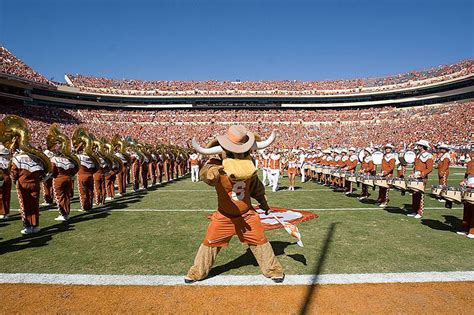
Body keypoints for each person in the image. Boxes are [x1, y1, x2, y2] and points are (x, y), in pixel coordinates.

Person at [185, 126, 284, 283]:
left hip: (247, 215)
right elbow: (207, 175)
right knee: (209, 242)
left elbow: (255, 186)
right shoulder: (216, 163)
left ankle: (272, 269)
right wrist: (215, 172)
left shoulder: (248, 163)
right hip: (224, 216)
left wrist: (263, 203)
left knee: (260, 240)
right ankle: (198, 271)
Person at [407, 140, 433, 219]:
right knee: (414, 194)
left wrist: (421, 174)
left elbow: (429, 168)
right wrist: (412, 173)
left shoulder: (428, 155)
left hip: (422, 177)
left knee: (420, 194)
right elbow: (415, 167)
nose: (417, 146)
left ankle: (420, 211)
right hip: (415, 175)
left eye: (419, 145)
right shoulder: (418, 154)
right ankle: (414, 210)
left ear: (422, 146)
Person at [458, 148, 473, 239]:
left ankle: (472, 230)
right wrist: (464, 181)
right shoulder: (470, 163)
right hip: (468, 187)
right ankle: (465, 228)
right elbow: (467, 175)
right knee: (467, 209)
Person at [436, 144, 452, 208]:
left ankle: (444, 196)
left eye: (443, 148)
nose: (441, 149)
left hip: (444, 171)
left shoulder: (446, 155)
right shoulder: (443, 155)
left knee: (443, 183)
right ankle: (441, 195)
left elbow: (445, 165)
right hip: (441, 170)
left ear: (445, 149)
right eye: (441, 148)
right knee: (440, 183)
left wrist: (442, 171)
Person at [0, 145, 12, 220]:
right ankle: (6, 213)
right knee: (7, 196)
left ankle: (2, 212)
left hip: (1, 177)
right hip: (8, 177)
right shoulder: (9, 160)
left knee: (1, 196)